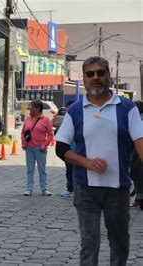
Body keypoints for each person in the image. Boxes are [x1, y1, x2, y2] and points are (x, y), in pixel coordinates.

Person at [55, 56, 143, 265]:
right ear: (84, 79)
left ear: (109, 77)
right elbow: (61, 148)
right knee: (89, 242)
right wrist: (87, 162)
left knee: (120, 242)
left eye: (100, 73)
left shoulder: (127, 108)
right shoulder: (76, 110)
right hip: (86, 188)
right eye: (90, 74)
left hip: (118, 189)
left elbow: (140, 144)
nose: (95, 78)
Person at [21, 99, 54, 196]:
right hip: (29, 148)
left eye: (32, 107)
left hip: (40, 148)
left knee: (42, 169)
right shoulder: (27, 119)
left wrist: (45, 144)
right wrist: (23, 142)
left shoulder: (45, 120)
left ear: (38, 108)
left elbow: (50, 134)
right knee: (30, 169)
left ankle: (44, 188)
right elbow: (23, 132)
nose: (30, 109)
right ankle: (29, 189)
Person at [59, 100, 76, 198]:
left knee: (77, 170)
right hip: (68, 149)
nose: (67, 110)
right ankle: (70, 188)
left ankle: (76, 188)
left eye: (68, 108)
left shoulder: (79, 117)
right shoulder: (67, 119)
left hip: (78, 149)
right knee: (69, 170)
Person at [131, 100, 143, 209]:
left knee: (138, 176)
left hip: (137, 151)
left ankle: (139, 199)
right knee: (137, 176)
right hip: (135, 152)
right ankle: (138, 199)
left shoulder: (138, 120)